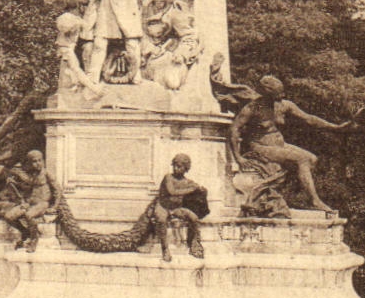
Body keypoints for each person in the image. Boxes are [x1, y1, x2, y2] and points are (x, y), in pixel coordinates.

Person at [228, 76, 354, 213]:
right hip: (260, 147)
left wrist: (335, 127)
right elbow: (234, 129)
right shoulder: (252, 108)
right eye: (277, 94)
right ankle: (315, 201)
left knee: (312, 159)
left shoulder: (284, 105)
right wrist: (238, 157)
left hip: (280, 144)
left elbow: (309, 119)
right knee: (302, 159)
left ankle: (297, 195)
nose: (281, 96)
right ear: (267, 93)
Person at [152, 154, 208, 261]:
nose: (176, 168)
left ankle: (193, 244)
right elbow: (172, 192)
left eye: (179, 166)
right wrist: (191, 189)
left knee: (194, 218)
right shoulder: (168, 177)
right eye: (175, 165)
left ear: (186, 168)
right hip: (163, 206)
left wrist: (200, 189)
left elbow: (198, 188)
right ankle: (165, 249)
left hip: (176, 208)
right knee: (161, 219)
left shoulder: (186, 181)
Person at [0, 150, 57, 253]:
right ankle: (25, 232)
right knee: (8, 216)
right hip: (29, 203)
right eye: (34, 161)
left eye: (39, 160)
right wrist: (14, 183)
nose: (37, 163)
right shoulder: (32, 175)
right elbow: (26, 188)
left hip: (42, 203)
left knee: (29, 216)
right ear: (30, 163)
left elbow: (58, 190)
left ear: (43, 161)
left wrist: (54, 206)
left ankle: (34, 240)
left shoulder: (47, 173)